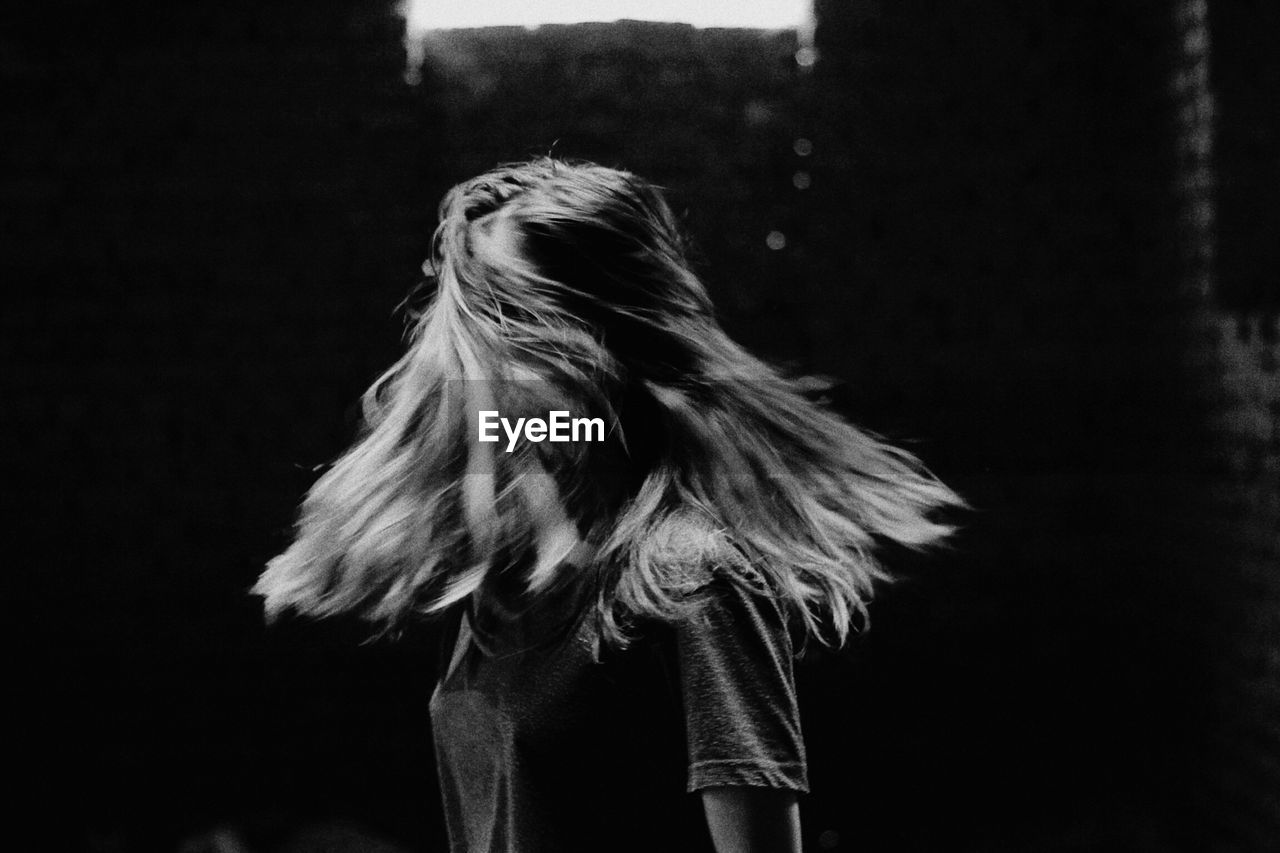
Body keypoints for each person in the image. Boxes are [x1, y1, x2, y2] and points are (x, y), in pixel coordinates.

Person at [254, 158, 961, 852]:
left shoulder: (690, 575)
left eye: (505, 314)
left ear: (581, 343)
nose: (467, 356)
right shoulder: (499, 586)